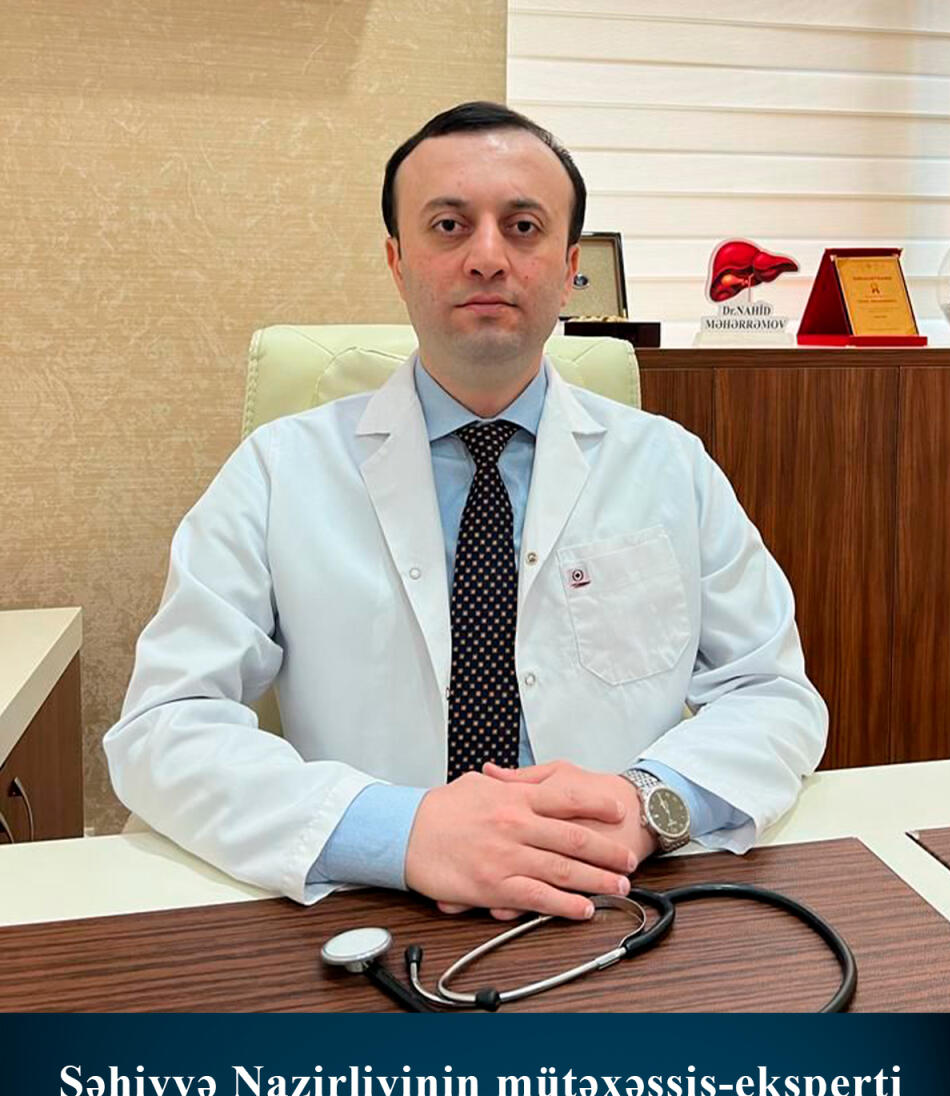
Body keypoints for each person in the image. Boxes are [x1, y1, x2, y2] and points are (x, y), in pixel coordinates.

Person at [104, 101, 827, 923]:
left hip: (623, 899)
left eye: (523, 227)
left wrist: (649, 804)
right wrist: (401, 832)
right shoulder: (277, 470)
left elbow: (774, 693)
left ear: (570, 266)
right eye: (449, 226)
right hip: (370, 909)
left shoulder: (671, 465)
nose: (487, 257)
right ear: (397, 261)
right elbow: (166, 725)